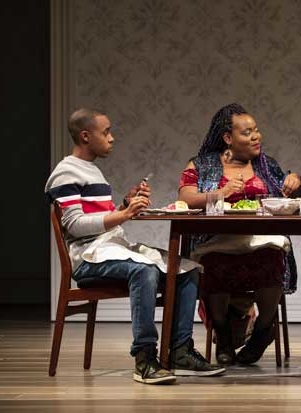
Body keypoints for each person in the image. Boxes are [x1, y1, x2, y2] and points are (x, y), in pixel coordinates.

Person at [45, 108, 225, 385]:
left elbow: (97, 218)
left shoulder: (90, 170)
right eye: (105, 132)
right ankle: (144, 358)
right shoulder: (66, 173)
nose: (112, 138)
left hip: (110, 248)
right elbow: (76, 226)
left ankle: (179, 351)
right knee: (144, 271)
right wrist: (125, 215)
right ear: (85, 136)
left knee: (187, 270)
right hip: (89, 259)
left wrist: (124, 205)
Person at [178, 103, 301, 365]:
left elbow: (286, 198)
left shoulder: (267, 165)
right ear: (228, 138)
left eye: (256, 130)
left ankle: (262, 332)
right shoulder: (203, 164)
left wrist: (294, 184)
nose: (256, 137)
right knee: (214, 263)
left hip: (260, 240)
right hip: (217, 240)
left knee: (271, 257)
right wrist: (219, 194)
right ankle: (223, 335)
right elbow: (185, 197)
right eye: (247, 132)